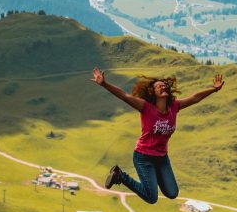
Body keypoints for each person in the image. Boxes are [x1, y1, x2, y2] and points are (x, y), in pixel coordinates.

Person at [92, 67, 224, 204]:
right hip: (144, 157)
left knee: (172, 193)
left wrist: (214, 89)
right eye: (158, 86)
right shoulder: (145, 107)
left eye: (164, 85)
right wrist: (104, 84)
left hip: (162, 158)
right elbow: (124, 96)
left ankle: (152, 178)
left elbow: (195, 98)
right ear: (152, 92)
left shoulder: (174, 107)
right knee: (151, 197)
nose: (163, 87)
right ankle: (120, 176)